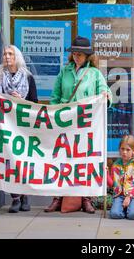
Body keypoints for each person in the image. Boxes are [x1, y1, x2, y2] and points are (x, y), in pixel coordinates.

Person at [44, 36, 112, 214]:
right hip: (65, 123)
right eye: (74, 54)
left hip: (85, 124)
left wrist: (105, 96)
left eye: (80, 54)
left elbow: (105, 91)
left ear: (87, 56)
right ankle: (58, 198)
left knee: (84, 160)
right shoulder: (64, 72)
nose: (76, 57)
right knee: (61, 160)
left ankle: (86, 198)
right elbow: (55, 97)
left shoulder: (95, 74)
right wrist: (54, 115)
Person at [0, 45, 38, 213]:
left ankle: (25, 195)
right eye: (4, 53)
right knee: (9, 160)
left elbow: (34, 104)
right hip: (6, 127)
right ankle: (15, 197)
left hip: (23, 128)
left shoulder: (28, 77)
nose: (6, 56)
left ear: (17, 57)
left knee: (24, 161)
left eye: (10, 53)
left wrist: (20, 101)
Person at [107, 135, 134, 220]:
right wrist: (106, 174)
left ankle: (133, 209)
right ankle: (125, 210)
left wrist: (129, 197)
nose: (124, 152)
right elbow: (112, 184)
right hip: (119, 195)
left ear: (133, 151)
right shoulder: (116, 164)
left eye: (128, 150)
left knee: (133, 215)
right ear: (119, 149)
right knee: (114, 214)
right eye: (122, 149)